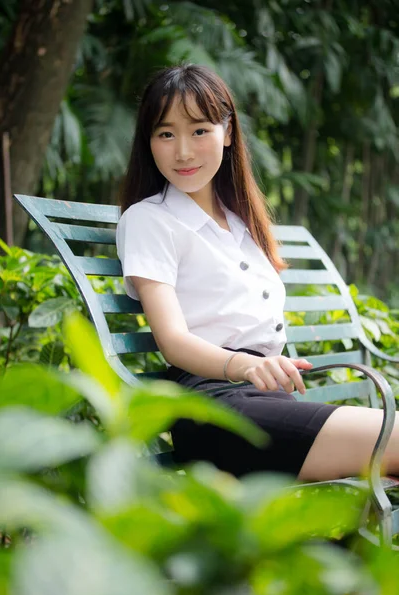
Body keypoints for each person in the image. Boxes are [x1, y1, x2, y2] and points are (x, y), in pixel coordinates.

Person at [116, 63, 399, 482]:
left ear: (227, 133)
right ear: (149, 142)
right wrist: (245, 366)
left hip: (267, 403)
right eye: (165, 134)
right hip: (215, 411)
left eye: (199, 130)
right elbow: (173, 342)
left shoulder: (241, 224)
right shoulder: (148, 219)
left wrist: (262, 369)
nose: (183, 152)